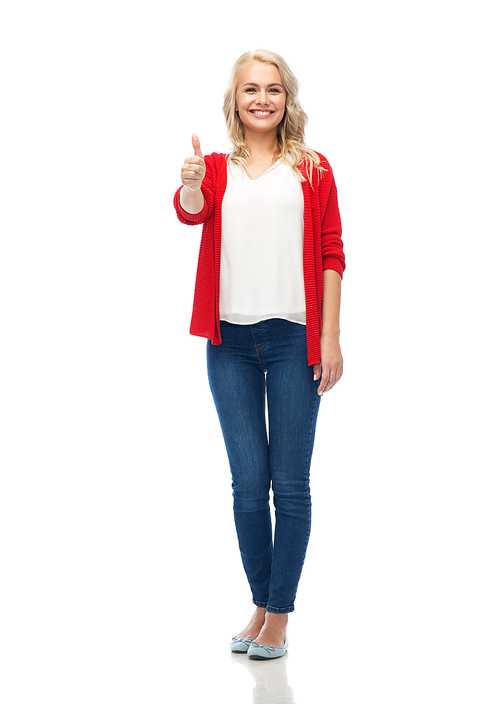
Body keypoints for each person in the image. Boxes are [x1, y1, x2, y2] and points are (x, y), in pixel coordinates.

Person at [173, 50, 345, 660]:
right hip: (232, 344)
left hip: (295, 342)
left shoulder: (313, 169)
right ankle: (262, 604)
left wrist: (330, 338)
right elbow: (190, 211)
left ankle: (279, 616)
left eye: (273, 89)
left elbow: (331, 253)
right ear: (236, 99)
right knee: (248, 486)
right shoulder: (217, 170)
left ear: (286, 98)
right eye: (251, 89)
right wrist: (191, 186)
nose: (262, 99)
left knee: (289, 485)